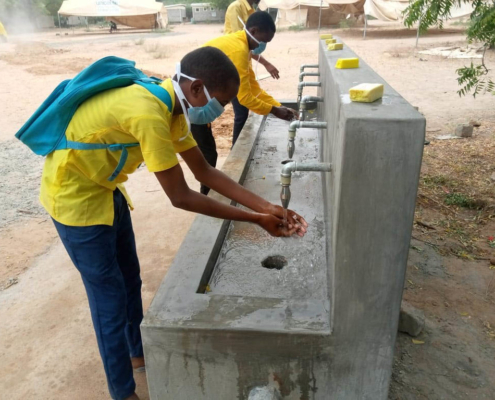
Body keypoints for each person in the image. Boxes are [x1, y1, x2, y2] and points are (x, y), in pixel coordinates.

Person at [38, 47, 307, 400]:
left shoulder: (172, 107)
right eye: (221, 102)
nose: (222, 110)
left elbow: (205, 171)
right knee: (108, 299)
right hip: (75, 200)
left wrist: (267, 206)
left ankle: (138, 354)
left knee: (129, 279)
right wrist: (256, 219)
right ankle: (123, 392)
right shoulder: (149, 112)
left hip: (106, 191)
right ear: (196, 88)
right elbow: (181, 196)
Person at [191, 11, 297, 195]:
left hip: (203, 96)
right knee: (207, 154)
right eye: (263, 41)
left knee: (207, 152)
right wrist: (274, 111)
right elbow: (245, 98)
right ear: (253, 31)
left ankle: (208, 193)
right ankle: (206, 198)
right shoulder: (238, 51)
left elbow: (253, 88)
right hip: (191, 98)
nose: (262, 46)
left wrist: (279, 106)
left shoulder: (243, 46)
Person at [224, 0, 279, 80]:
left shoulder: (251, 10)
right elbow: (241, 43)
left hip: (245, 56)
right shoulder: (236, 7)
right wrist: (266, 63)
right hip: (235, 58)